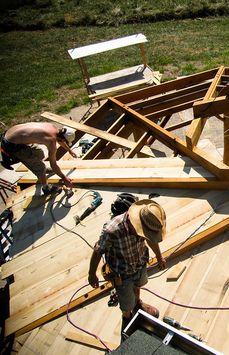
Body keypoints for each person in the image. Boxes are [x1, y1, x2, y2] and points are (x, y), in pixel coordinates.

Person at [88, 199, 167, 336]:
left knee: (138, 286)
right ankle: (127, 318)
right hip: (122, 274)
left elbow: (150, 240)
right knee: (126, 302)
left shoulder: (146, 224)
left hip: (140, 264)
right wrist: (91, 274)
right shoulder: (112, 231)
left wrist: (159, 256)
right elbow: (98, 251)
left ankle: (138, 305)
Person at [1, 122, 77, 195]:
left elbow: (60, 139)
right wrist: (64, 178)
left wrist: (69, 150)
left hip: (11, 134)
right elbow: (53, 164)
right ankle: (46, 188)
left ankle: (39, 169)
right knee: (41, 168)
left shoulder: (53, 128)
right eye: (65, 141)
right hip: (11, 145)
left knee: (40, 154)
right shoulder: (50, 141)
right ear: (63, 139)